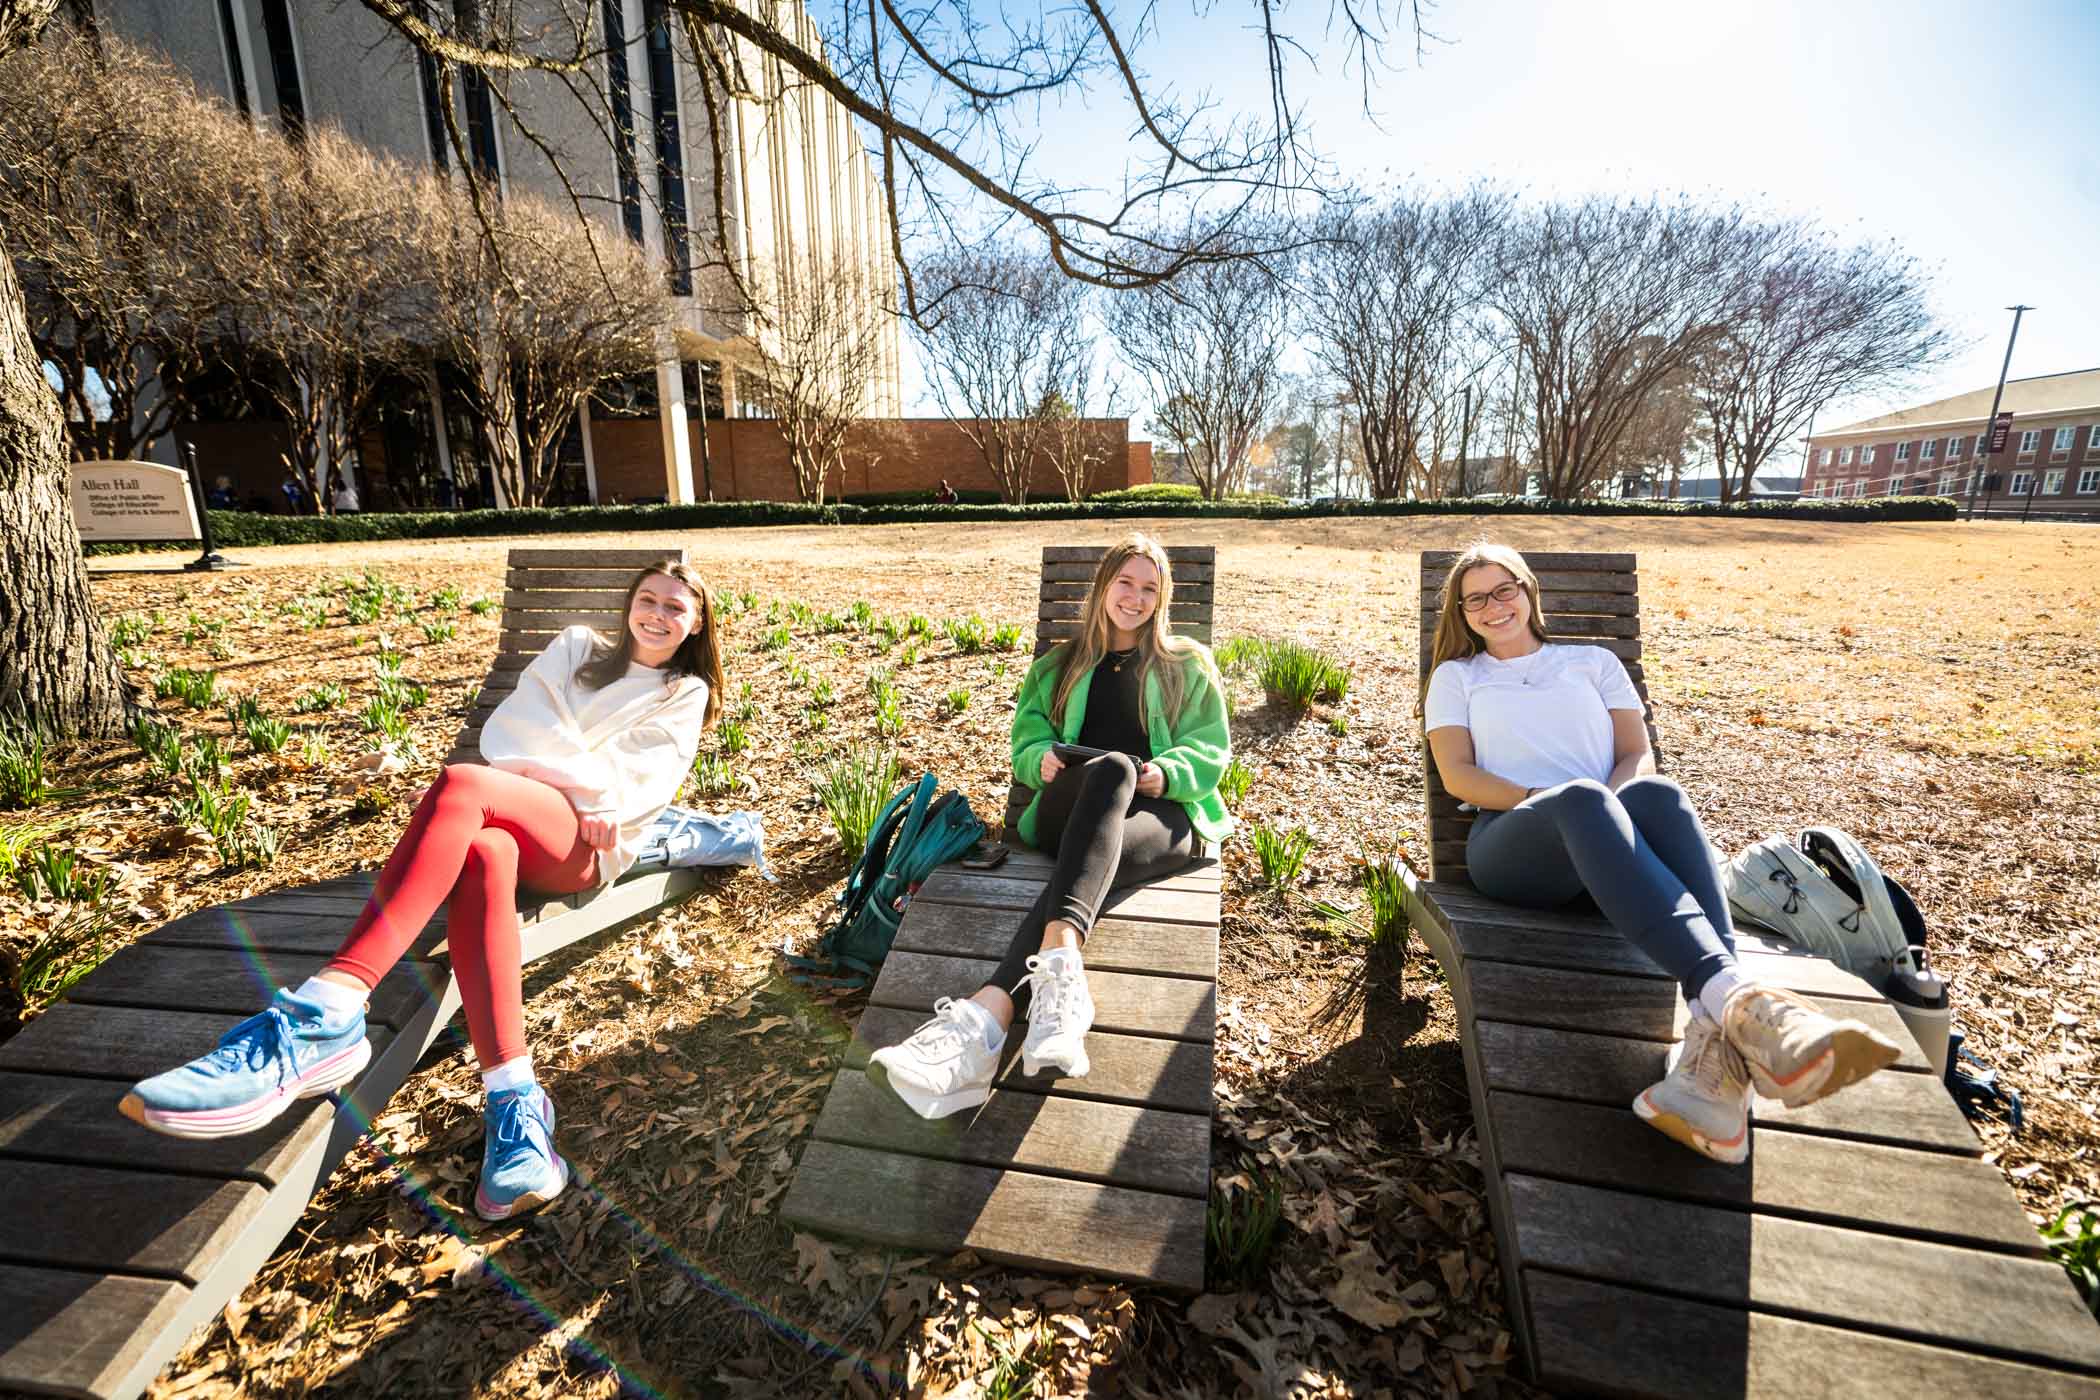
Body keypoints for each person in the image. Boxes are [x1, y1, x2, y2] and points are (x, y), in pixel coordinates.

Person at [121, 561, 725, 1219]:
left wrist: (562, 788)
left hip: (583, 846)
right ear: (628, 603)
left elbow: (638, 776)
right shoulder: (579, 647)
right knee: (484, 853)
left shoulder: (682, 690)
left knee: (464, 785)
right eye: (648, 598)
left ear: (696, 624)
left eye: (676, 606)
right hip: (524, 818)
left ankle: (326, 1012)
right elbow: (518, 724)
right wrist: (564, 784)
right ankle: (515, 1098)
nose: (658, 614)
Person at [1421, 541, 1900, 1164]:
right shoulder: (1458, 677)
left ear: (1528, 589)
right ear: (1464, 612)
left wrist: (1612, 807)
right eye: (1476, 598)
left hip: (1607, 843)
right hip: (1514, 847)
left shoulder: (1592, 663)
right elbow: (1458, 776)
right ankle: (1742, 1000)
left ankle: (1713, 1070)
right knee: (1584, 800)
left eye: (1503, 589)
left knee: (1658, 792)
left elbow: (1634, 753)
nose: (1493, 606)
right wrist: (1565, 799)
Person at [871, 532, 1231, 1118]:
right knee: (1107, 769)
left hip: (1160, 817)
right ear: (1102, 586)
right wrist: (1039, 758)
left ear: (1161, 599)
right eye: (1125, 583)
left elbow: (1212, 749)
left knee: (1111, 794)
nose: (1135, 599)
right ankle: (1051, 989)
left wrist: (1165, 773)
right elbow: (1026, 740)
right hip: (1069, 809)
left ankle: (987, 1019)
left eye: (1149, 589)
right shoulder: (1057, 666)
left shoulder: (1186, 664)